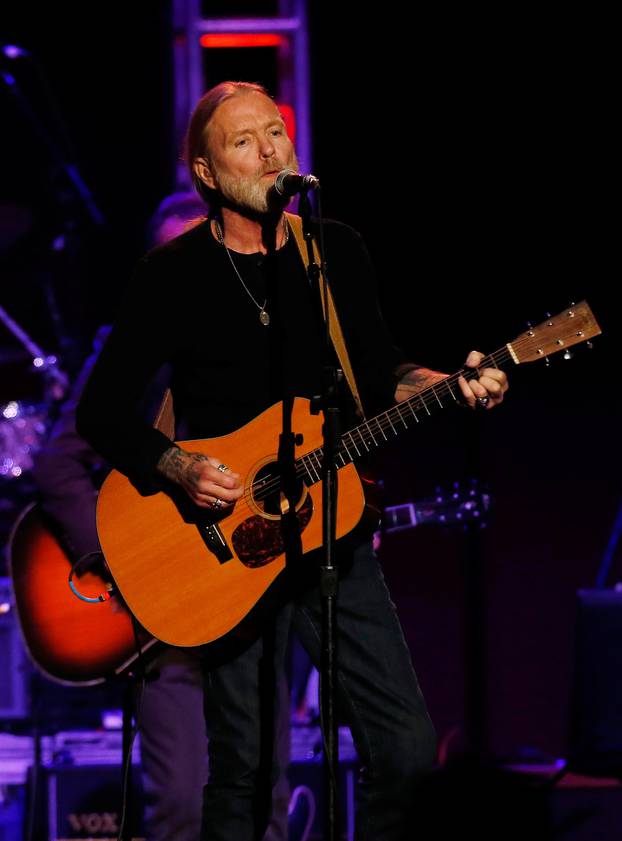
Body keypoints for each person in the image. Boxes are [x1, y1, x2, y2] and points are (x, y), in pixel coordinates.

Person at [75, 81, 508, 840]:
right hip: (224, 544)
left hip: (329, 531)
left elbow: (381, 373)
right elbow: (100, 414)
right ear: (206, 173)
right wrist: (178, 467)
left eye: (274, 131)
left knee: (407, 749)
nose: (269, 148)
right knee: (245, 766)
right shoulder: (170, 276)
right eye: (243, 140)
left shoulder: (333, 249)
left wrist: (451, 382)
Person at [33, 190, 288, 841]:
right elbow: (56, 466)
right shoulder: (129, 354)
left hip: (247, 598)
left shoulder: (267, 348)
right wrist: (113, 557)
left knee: (265, 800)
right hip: (162, 619)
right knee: (180, 802)